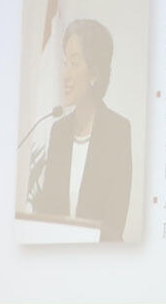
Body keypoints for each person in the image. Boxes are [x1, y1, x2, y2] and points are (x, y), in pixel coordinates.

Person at [32, 18, 132, 242]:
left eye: (74, 63)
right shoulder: (59, 131)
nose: (65, 73)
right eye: (65, 62)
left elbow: (114, 224)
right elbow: (49, 212)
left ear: (95, 73)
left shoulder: (118, 131)